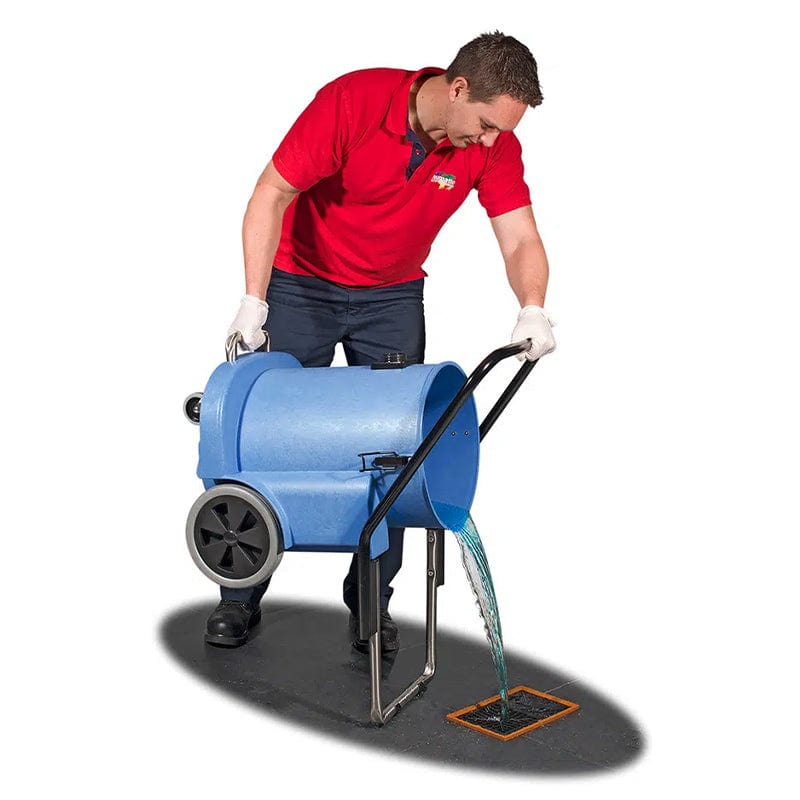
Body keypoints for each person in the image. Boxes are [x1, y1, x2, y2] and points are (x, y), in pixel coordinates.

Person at [205, 31, 557, 651]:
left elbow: (520, 237)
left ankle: (370, 604)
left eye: (501, 132)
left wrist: (532, 307)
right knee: (263, 437)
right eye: (485, 125)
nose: (491, 142)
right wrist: (253, 300)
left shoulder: (493, 147)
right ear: (458, 88)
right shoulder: (354, 103)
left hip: (392, 298)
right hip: (301, 285)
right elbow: (272, 192)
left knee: (395, 455)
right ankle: (240, 593)